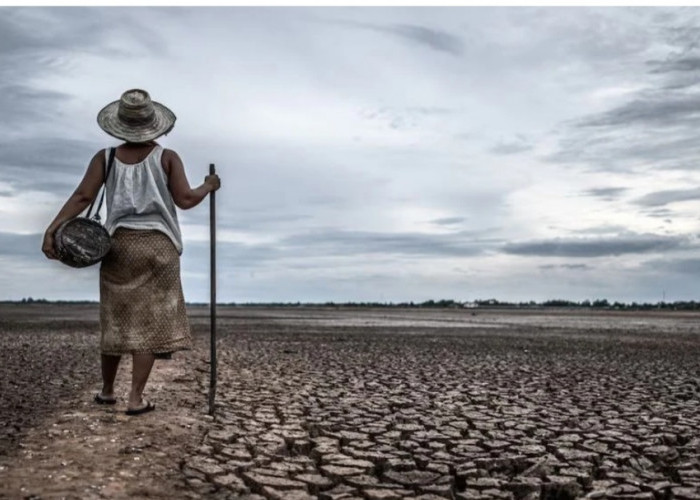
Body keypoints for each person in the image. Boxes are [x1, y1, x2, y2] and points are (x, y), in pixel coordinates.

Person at [42, 89, 220, 415]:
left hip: (118, 246)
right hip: (159, 247)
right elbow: (185, 199)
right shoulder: (167, 157)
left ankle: (108, 391)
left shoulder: (105, 158)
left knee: (115, 319)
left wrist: (53, 228)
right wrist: (208, 186)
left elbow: (83, 197)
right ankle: (136, 398)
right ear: (154, 125)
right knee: (150, 325)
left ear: (119, 125)